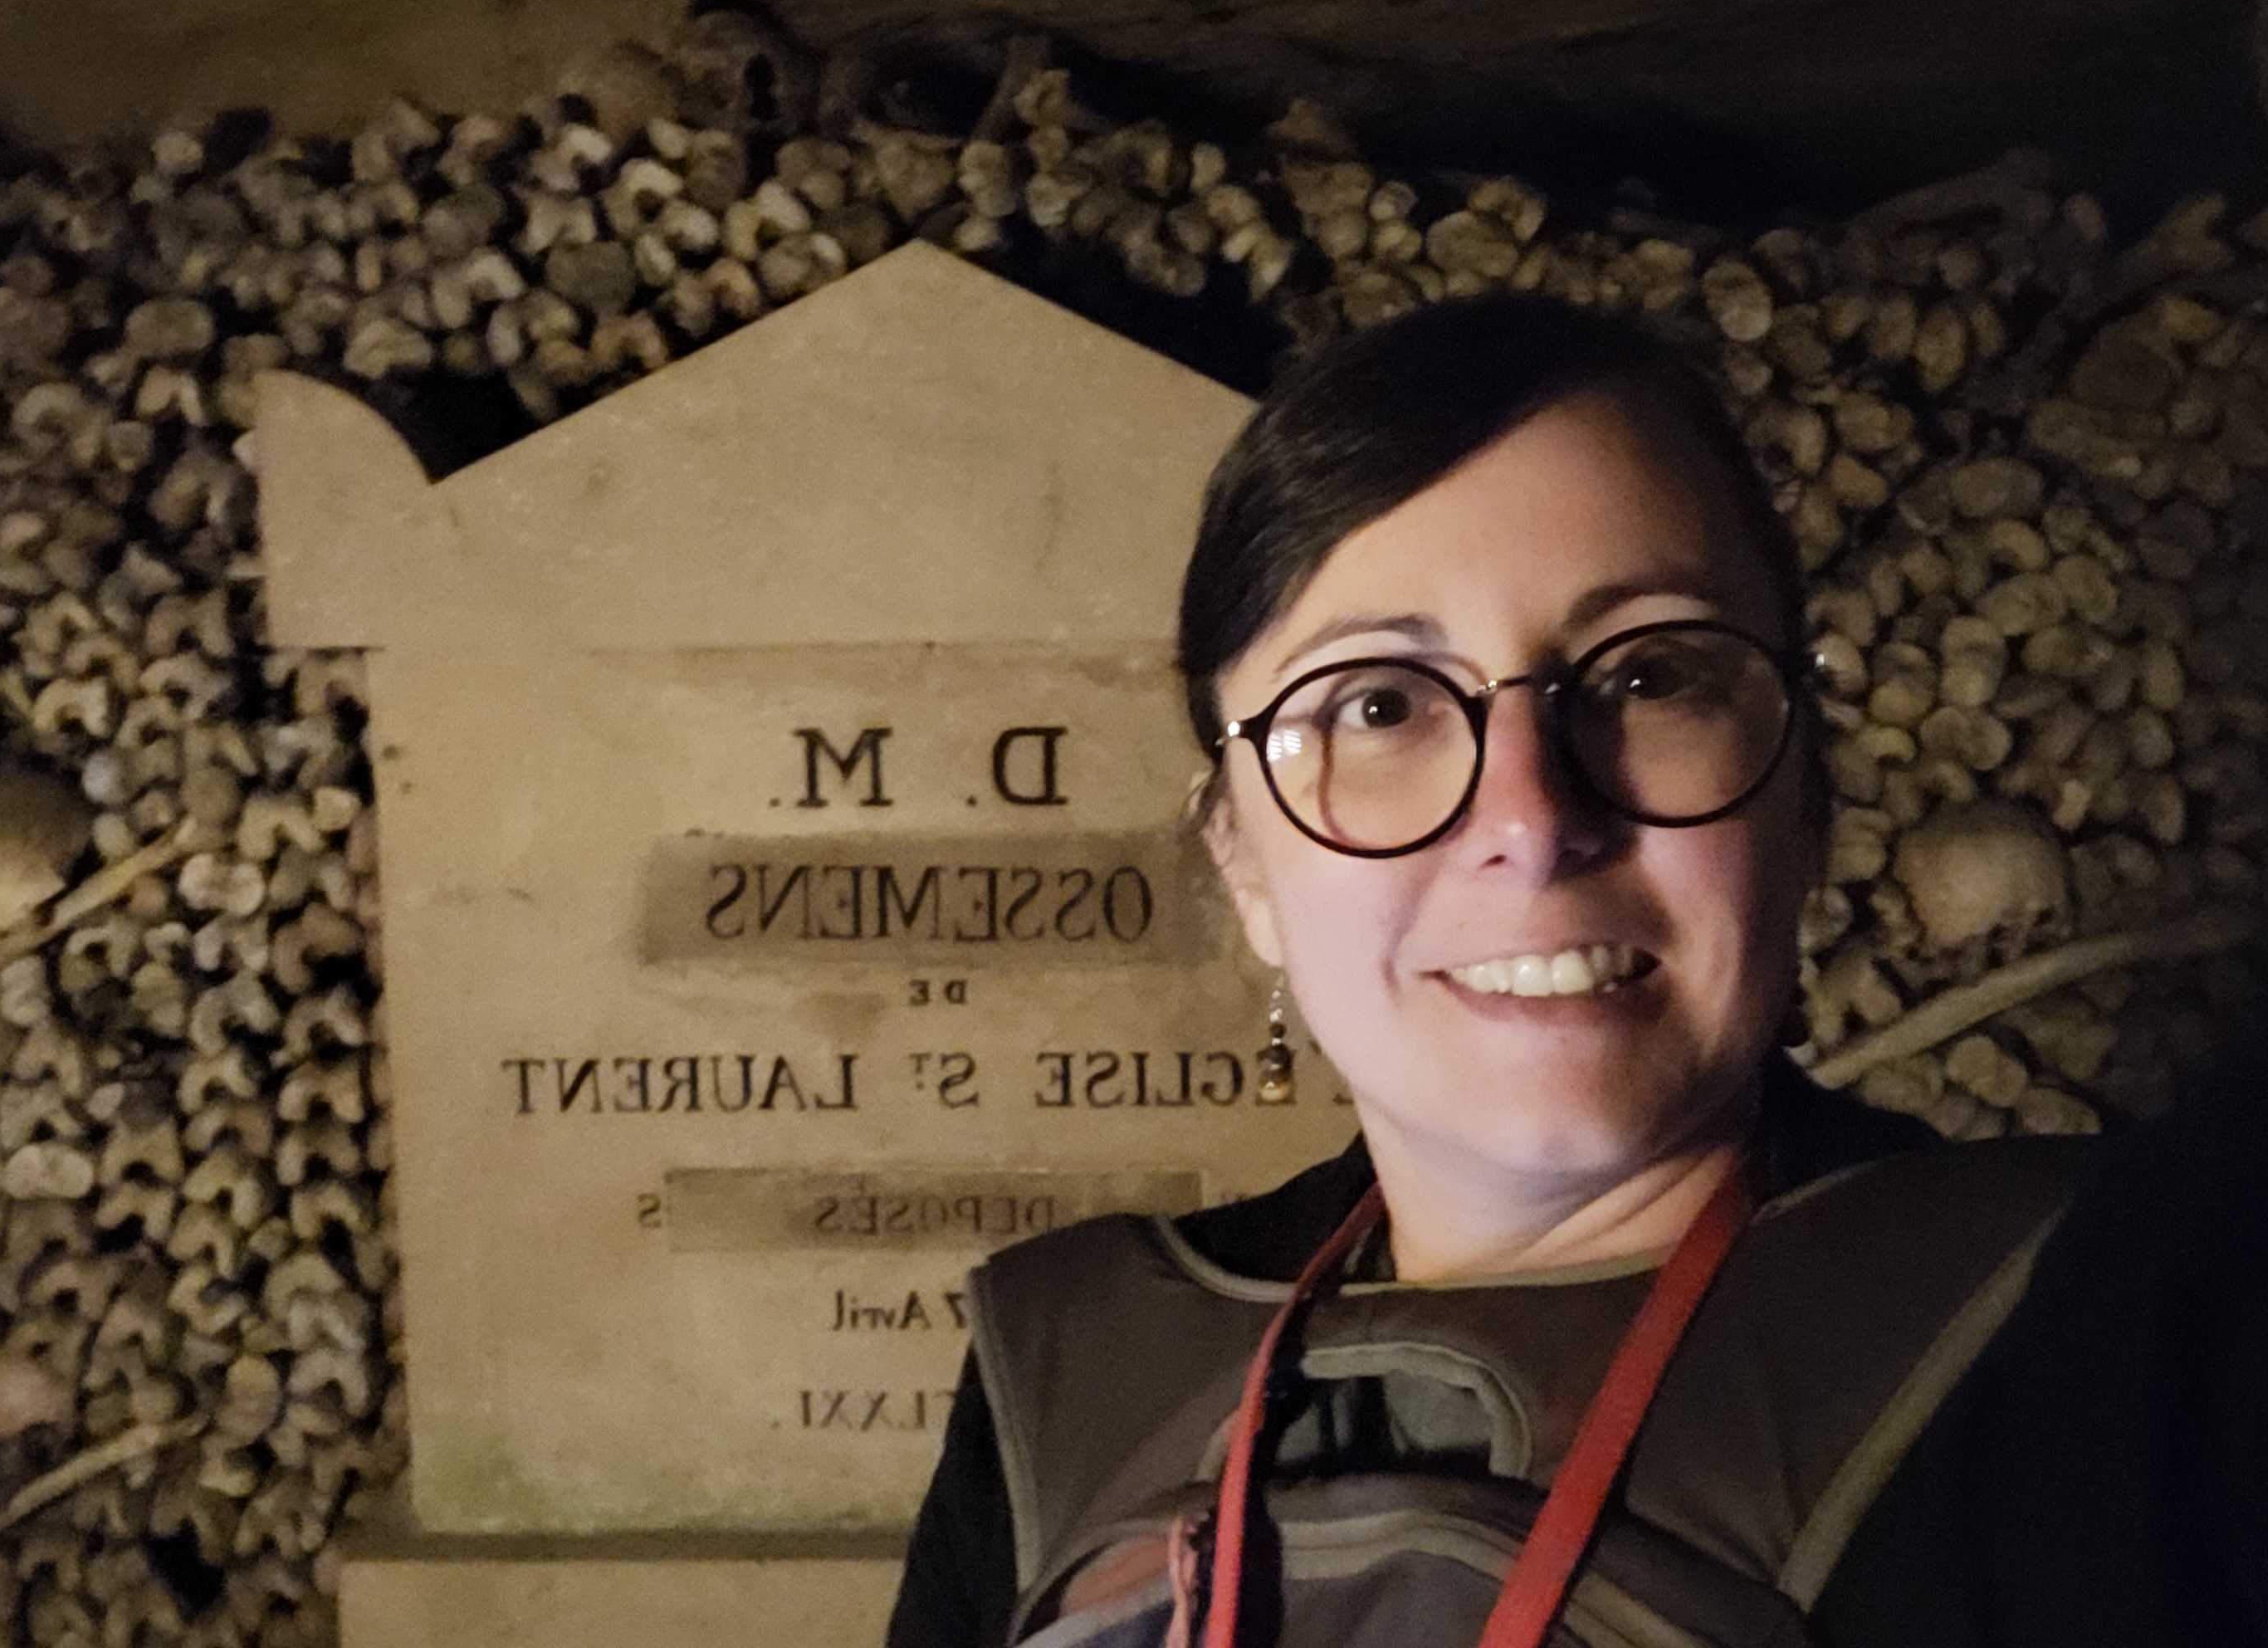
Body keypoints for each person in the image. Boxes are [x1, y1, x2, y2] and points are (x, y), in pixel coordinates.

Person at [886, 296, 2268, 1648]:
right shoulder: (1054, 1381)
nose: (1533, 821)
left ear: (1809, 799)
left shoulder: (2128, 1349)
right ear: (1241, 862)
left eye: (1649, 677)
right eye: (1379, 704)